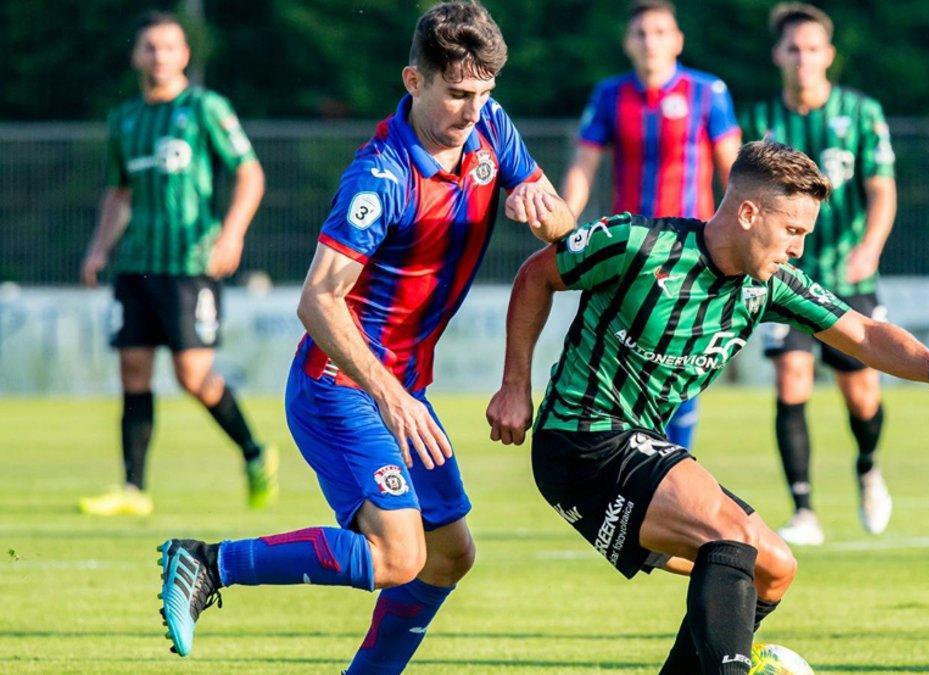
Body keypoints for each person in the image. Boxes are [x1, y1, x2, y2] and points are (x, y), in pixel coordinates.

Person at [154, 3, 575, 669]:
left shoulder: (492, 128)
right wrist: (389, 394)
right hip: (341, 386)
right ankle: (207, 562)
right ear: (415, 80)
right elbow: (317, 299)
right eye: (458, 94)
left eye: (485, 92)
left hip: (401, 388)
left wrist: (541, 215)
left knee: (449, 554)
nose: (473, 110)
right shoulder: (381, 176)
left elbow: (564, 227)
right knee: (399, 553)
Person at [488, 140, 929, 674]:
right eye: (792, 232)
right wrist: (514, 386)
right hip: (582, 438)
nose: (799, 249)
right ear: (747, 213)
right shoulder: (638, 244)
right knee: (729, 536)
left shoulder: (770, 287)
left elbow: (864, 333)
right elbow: (537, 274)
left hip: (634, 447)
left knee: (774, 569)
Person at [78, 12, 274, 517]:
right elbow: (120, 192)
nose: (159, 56)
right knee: (133, 370)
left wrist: (232, 234)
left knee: (193, 375)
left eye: (169, 47)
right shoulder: (124, 120)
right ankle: (133, 490)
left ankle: (255, 454)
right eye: (149, 47)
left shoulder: (205, 107)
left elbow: (249, 173)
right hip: (137, 263)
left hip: (191, 263)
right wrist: (99, 247)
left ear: (185, 54)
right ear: (136, 56)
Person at [742, 3, 898, 545]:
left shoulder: (860, 113)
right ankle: (804, 509)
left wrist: (870, 248)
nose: (803, 58)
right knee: (791, 380)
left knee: (862, 397)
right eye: (793, 48)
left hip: (849, 277)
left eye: (812, 48)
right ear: (778, 55)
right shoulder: (762, 124)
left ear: (828, 54)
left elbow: (881, 189)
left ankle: (868, 467)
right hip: (782, 274)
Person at [560, 0, 742, 450]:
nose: (651, 42)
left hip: (692, 249)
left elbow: (734, 172)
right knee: (624, 358)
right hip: (630, 248)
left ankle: (674, 461)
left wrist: (740, 233)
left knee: (678, 358)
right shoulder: (609, 95)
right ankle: (633, 461)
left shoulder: (708, 92)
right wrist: (562, 223)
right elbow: (583, 167)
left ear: (677, 40)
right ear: (627, 43)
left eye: (661, 32)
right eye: (641, 33)